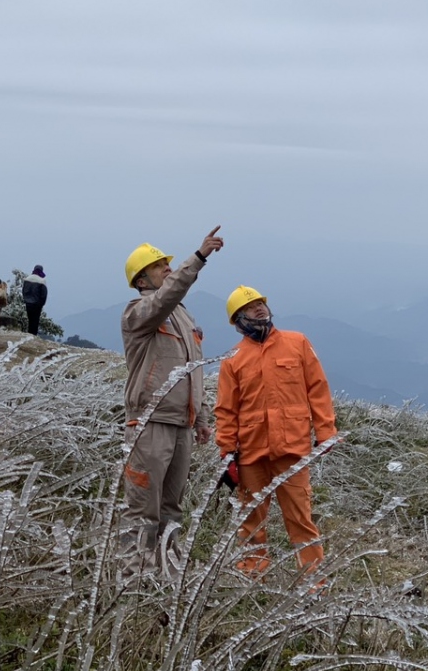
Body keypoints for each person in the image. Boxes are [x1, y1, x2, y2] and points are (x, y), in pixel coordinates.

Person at [119, 226, 223, 573]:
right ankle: (135, 582)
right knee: (142, 508)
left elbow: (194, 370)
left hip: (182, 425)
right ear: (141, 278)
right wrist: (199, 258)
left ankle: (166, 576)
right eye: (159, 265)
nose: (167, 267)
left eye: (167, 263)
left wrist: (203, 418)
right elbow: (167, 296)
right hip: (149, 423)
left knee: (171, 509)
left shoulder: (183, 316)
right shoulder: (139, 311)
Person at [216, 286, 336, 578]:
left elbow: (318, 389)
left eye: (260, 303)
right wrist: (227, 453)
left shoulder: (297, 343)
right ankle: (251, 575)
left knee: (300, 518)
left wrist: (326, 432)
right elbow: (226, 410)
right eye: (250, 306)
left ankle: (313, 582)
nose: (258, 308)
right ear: (238, 320)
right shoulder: (232, 359)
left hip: (292, 450)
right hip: (250, 454)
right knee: (251, 520)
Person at [22, 265, 47, 336]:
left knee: (30, 319)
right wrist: (41, 304)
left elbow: (24, 291)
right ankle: (33, 335)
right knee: (35, 320)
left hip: (28, 303)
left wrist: (25, 299)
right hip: (37, 304)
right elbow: (43, 295)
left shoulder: (27, 279)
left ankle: (29, 333)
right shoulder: (42, 281)